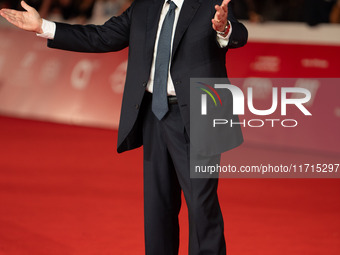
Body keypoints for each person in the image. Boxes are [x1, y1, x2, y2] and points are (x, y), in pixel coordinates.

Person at [0, 0, 247, 254]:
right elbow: (102, 36)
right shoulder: (145, 6)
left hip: (200, 113)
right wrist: (43, 26)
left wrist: (223, 27)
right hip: (154, 114)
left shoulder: (210, 4)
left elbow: (239, 34)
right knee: (157, 208)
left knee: (201, 207)